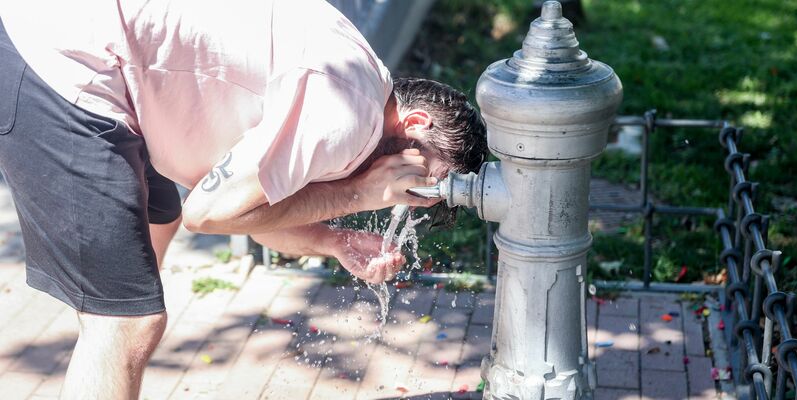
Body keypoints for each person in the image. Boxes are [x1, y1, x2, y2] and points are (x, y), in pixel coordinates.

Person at [0, 0, 487, 398]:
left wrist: (332, 241)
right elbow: (208, 215)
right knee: (126, 324)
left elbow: (251, 211)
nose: (400, 193)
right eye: (420, 176)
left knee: (156, 220)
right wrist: (359, 193)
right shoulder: (346, 116)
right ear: (417, 124)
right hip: (63, 57)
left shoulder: (362, 82)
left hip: (103, 54)